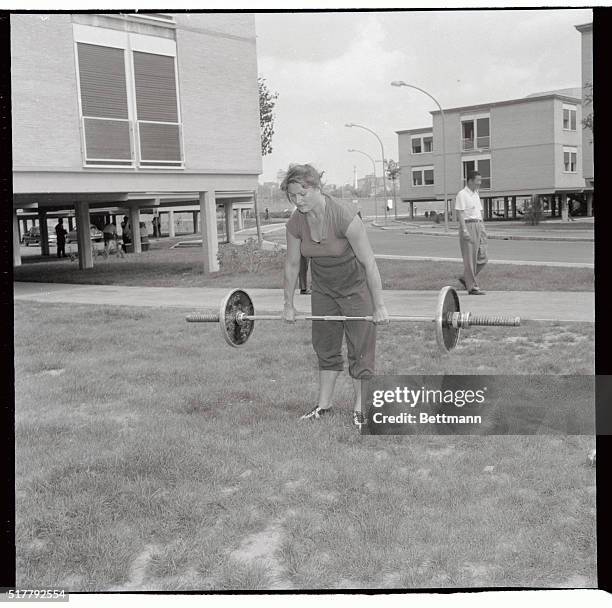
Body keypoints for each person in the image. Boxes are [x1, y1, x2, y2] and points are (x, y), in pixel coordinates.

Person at [281, 163, 389, 428]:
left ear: (318, 188)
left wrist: (380, 306)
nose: (298, 201)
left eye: (303, 194)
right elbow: (293, 264)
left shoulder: (344, 216)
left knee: (360, 349)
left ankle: (360, 408)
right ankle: (324, 406)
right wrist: (288, 305)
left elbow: (369, 263)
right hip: (324, 290)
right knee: (325, 346)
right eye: (293, 196)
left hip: (355, 287)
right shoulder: (296, 221)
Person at [455, 170, 488, 295]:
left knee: (483, 257)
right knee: (470, 258)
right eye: (477, 180)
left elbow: (479, 211)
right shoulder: (462, 194)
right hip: (468, 225)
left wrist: (483, 228)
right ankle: (472, 287)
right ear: (470, 180)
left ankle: (465, 278)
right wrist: (464, 230)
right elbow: (460, 213)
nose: (479, 183)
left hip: (479, 224)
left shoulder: (476, 194)